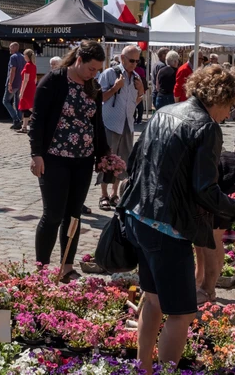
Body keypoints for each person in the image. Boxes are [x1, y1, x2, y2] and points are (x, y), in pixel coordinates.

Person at [120, 64, 235, 375]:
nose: (230, 114)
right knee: (182, 313)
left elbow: (136, 163)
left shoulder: (164, 111)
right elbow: (205, 190)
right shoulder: (206, 127)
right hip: (167, 227)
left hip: (140, 218)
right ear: (220, 99)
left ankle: (143, 372)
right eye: (231, 106)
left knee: (154, 302)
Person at [29, 41, 109, 282]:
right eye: (91, 69)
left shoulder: (92, 86)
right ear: (78, 60)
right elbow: (37, 120)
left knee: (74, 215)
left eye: (97, 70)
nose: (94, 74)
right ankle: (41, 268)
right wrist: (36, 154)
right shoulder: (54, 80)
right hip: (54, 158)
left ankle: (66, 266)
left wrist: (103, 154)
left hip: (82, 160)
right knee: (53, 214)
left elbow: (97, 123)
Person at [195, 150, 235, 303]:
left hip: (234, 175)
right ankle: (198, 280)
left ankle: (208, 290)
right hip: (219, 175)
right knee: (201, 232)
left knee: (213, 233)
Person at [96, 45, 145, 211]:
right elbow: (99, 97)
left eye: (137, 61)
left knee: (122, 160)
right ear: (122, 58)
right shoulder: (110, 73)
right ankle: (103, 195)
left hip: (127, 124)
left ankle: (115, 193)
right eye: (131, 60)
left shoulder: (136, 76)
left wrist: (141, 92)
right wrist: (115, 88)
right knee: (107, 160)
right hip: (110, 123)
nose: (134, 64)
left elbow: (133, 103)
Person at [3, 42, 25, 130]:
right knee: (17, 103)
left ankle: (16, 119)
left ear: (15, 47)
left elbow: (13, 70)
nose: (9, 49)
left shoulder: (13, 57)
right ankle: (18, 121)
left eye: (11, 47)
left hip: (14, 83)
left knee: (5, 101)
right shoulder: (23, 57)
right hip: (20, 83)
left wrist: (10, 83)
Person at [17, 49, 38, 134]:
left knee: (29, 107)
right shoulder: (33, 65)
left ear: (27, 56)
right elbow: (35, 79)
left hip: (27, 88)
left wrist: (21, 92)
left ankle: (42, 119)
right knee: (26, 107)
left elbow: (25, 80)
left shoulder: (28, 65)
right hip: (32, 87)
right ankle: (24, 127)